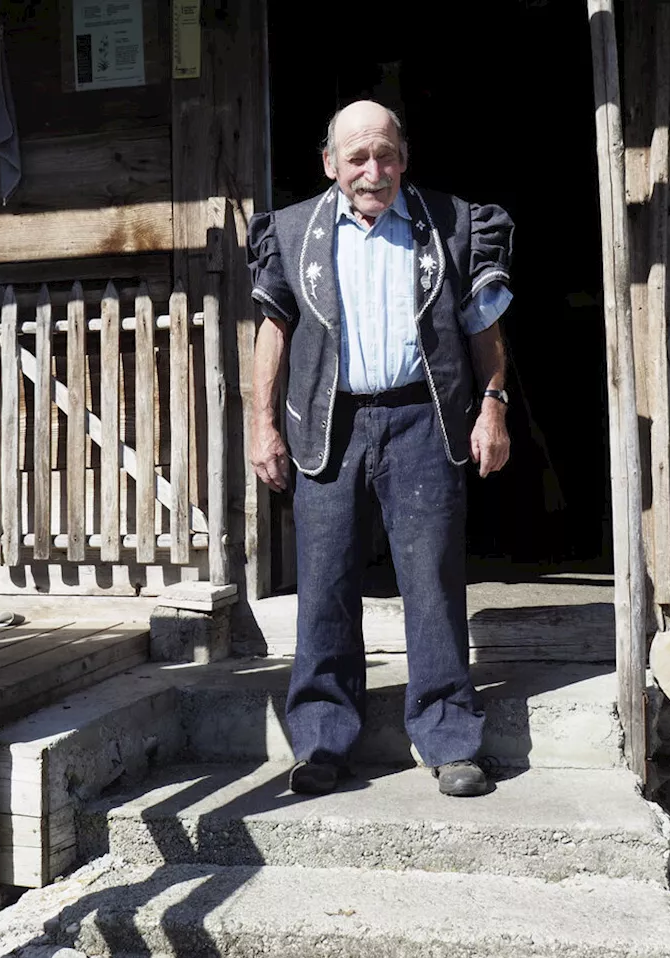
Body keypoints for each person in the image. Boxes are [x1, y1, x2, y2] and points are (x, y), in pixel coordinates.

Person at [246, 100, 514, 798]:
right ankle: (324, 741)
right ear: (330, 164)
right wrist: (261, 423)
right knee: (325, 585)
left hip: (424, 420)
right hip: (329, 424)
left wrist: (493, 405)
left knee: (431, 582)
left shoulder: (451, 222)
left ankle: (449, 736)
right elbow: (273, 329)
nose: (374, 170)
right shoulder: (295, 229)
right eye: (357, 157)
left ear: (405, 156)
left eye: (386, 154)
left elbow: (482, 322)